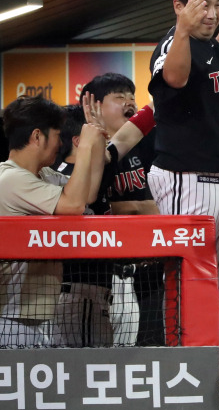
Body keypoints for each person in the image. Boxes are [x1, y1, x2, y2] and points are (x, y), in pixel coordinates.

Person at [147, 0, 219, 394]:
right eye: (202, 3)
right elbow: (172, 79)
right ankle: (185, 365)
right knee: (189, 277)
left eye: (217, 3)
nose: (212, 12)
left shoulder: (218, 51)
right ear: (179, 5)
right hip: (184, 178)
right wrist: (183, 30)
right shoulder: (173, 45)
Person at [0, 95, 105, 348]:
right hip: (11, 317)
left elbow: (86, 194)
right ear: (37, 136)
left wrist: (97, 139)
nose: (61, 143)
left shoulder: (42, 175)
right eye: (57, 135)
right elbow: (74, 205)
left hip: (33, 316)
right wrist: (86, 147)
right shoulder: (10, 179)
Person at [80, 73, 160, 347]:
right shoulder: (82, 149)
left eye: (131, 97)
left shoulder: (146, 144)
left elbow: (157, 206)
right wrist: (135, 209)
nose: (129, 102)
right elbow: (88, 205)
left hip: (144, 273)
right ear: (94, 105)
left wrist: (135, 209)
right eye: (119, 97)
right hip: (99, 274)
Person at [53, 105, 115, 347]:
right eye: (96, 135)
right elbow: (87, 195)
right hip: (77, 289)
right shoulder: (58, 175)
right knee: (87, 369)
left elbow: (114, 151)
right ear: (80, 141)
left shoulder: (94, 170)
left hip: (97, 288)